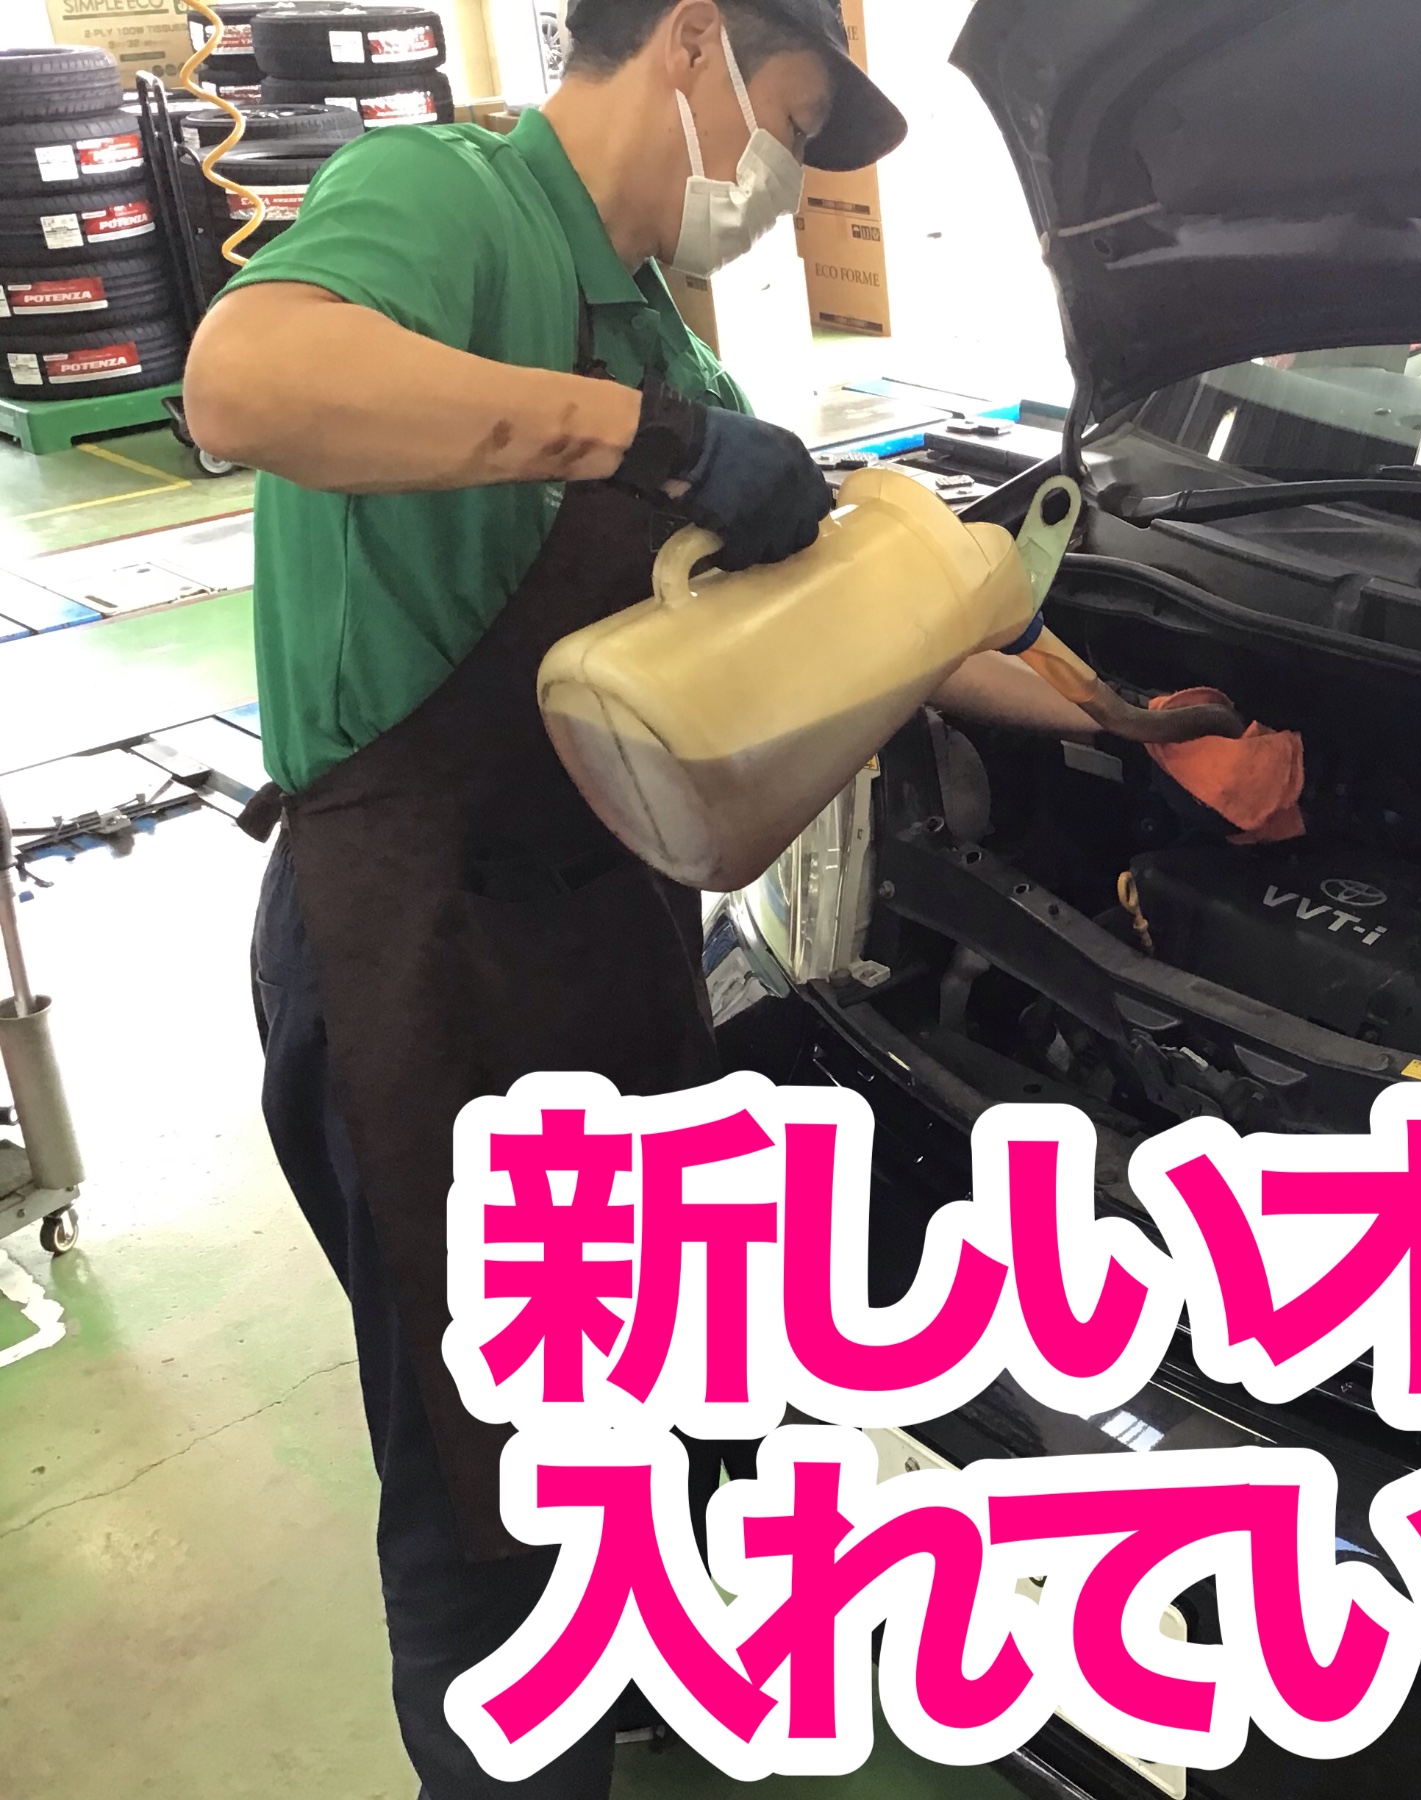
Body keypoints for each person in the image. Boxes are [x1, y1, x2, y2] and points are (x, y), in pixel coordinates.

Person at [182, 2, 905, 1792]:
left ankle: (627, 1684)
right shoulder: (447, 196)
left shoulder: (661, 333)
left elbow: (846, 611)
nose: (781, 179)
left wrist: (1111, 699)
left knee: (623, 1407)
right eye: (790, 121)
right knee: (480, 1467)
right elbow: (245, 384)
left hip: (601, 944)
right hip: (415, 952)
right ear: (694, 42)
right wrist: (650, 441)